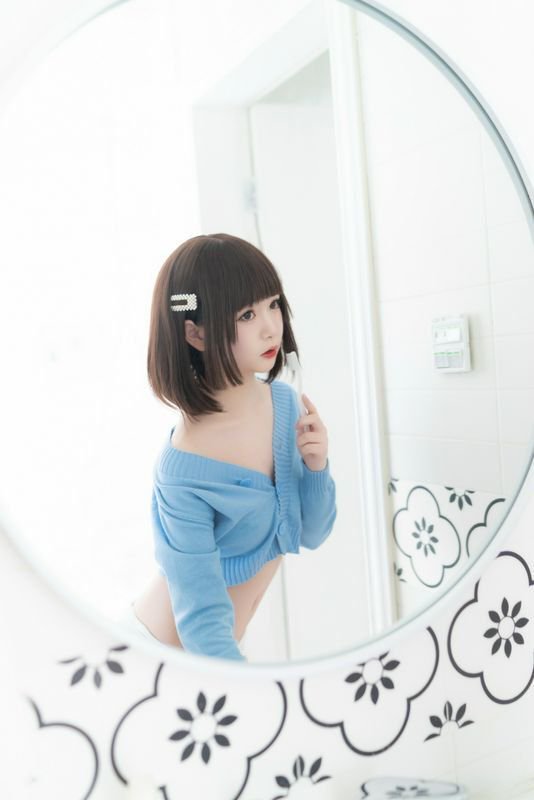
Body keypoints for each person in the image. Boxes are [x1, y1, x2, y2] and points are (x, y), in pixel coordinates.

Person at [119, 232, 337, 661]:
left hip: (218, 657)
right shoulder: (183, 468)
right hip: (162, 658)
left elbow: (311, 534)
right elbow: (201, 626)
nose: (271, 327)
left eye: (273, 304)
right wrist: (252, 690)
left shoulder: (285, 404)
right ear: (195, 333)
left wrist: (316, 466)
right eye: (247, 314)